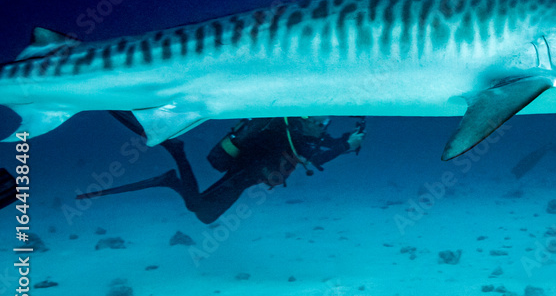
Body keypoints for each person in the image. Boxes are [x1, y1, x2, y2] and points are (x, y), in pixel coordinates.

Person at [77, 112, 366, 223]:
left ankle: (173, 177)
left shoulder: (302, 132)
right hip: (245, 174)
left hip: (246, 174)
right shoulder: (292, 131)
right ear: (308, 119)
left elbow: (319, 147)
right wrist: (345, 146)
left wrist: (345, 141)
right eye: (322, 121)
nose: (325, 125)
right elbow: (315, 157)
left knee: (202, 211)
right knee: (203, 213)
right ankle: (175, 160)